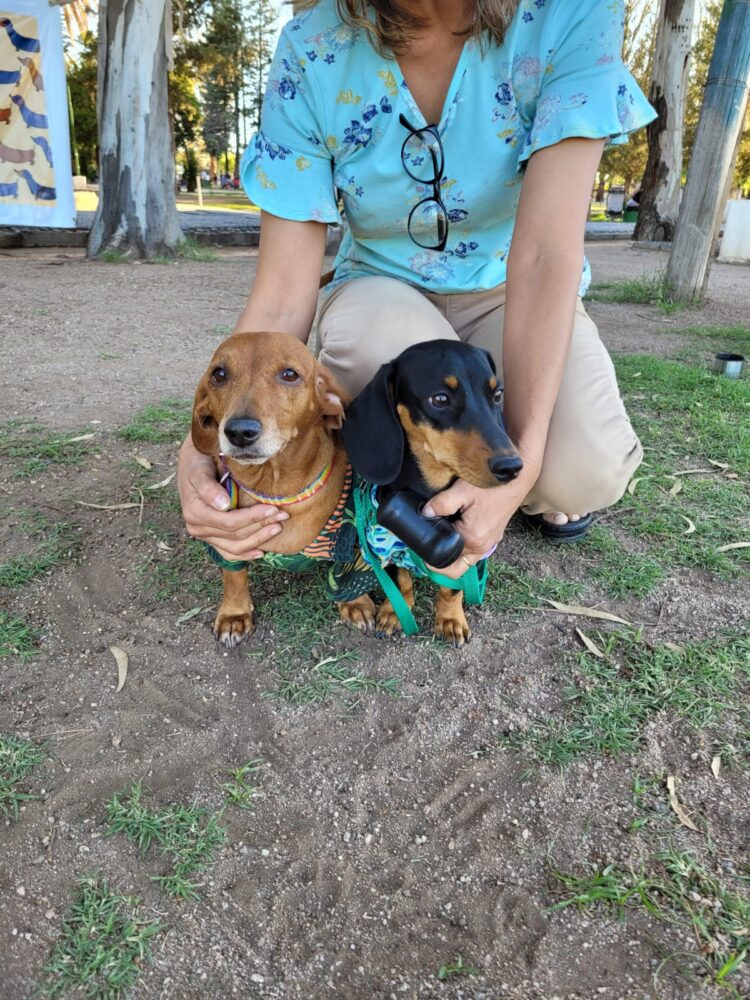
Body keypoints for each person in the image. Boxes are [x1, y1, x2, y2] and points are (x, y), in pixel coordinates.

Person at [178, 0, 656, 580]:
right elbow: (281, 290)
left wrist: (525, 468)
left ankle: (512, 489)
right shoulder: (311, 44)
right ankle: (412, 486)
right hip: (381, 287)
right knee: (374, 344)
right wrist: (200, 448)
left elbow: (545, 256)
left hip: (512, 288)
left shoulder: (571, 11)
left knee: (586, 472)